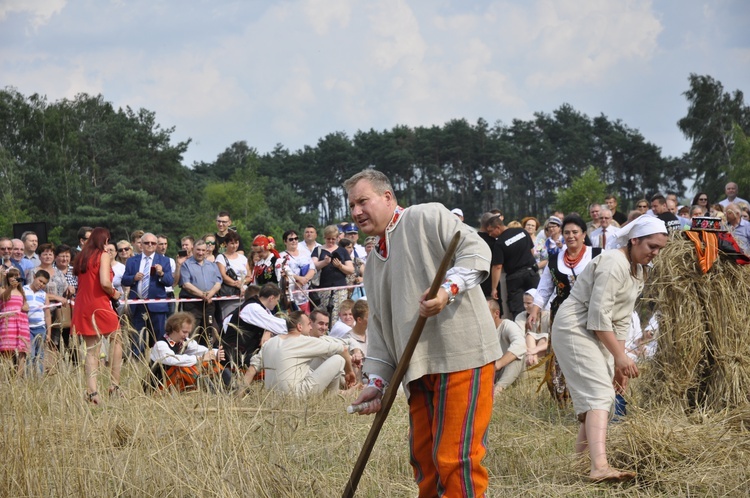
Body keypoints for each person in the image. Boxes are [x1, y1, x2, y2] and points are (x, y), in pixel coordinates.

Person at [346, 169, 502, 497]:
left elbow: (475, 250)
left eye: (363, 201)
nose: (357, 211)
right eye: (351, 206)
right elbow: (381, 330)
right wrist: (377, 383)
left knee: (455, 458)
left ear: (387, 197)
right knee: (424, 459)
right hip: (417, 370)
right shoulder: (373, 264)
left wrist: (447, 289)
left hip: (461, 356)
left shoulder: (424, 216)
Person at [552, 215, 668, 483]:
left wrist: (620, 360)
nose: (655, 253)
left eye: (660, 248)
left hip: (597, 331)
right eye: (652, 246)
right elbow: (598, 317)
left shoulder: (639, 269)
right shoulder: (613, 262)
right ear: (635, 240)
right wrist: (619, 356)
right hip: (575, 328)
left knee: (601, 397)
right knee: (599, 392)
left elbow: (623, 317)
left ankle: (581, 465)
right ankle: (599, 466)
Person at [528, 214, 602, 405]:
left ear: (584, 234)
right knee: (560, 355)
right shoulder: (554, 260)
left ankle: (591, 397)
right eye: (567, 232)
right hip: (561, 312)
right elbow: (544, 288)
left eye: (575, 232)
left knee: (588, 353)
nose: (571, 236)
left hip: (589, 312)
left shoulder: (598, 255)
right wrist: (535, 309)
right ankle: (563, 400)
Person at [245, 311, 356, 395]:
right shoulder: (305, 341)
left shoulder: (270, 342)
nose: (311, 327)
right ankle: (332, 398)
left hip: (272, 397)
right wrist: (349, 371)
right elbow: (343, 349)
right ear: (299, 326)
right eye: (308, 324)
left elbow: (251, 369)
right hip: (296, 395)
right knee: (338, 359)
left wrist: (239, 395)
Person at [71, 227, 123, 405]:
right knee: (117, 339)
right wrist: (115, 293)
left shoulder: (81, 257)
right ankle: (114, 385)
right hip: (99, 303)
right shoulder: (103, 255)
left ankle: (92, 392)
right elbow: (105, 283)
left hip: (82, 305)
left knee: (91, 350)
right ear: (104, 240)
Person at [221, 283, 287, 386]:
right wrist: (297, 326)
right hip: (235, 354)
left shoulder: (261, 308)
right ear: (271, 298)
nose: (276, 304)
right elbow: (279, 326)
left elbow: (270, 324)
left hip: (245, 351)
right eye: (277, 301)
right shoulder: (253, 308)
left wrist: (268, 331)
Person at [121, 232, 174, 357]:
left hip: (157, 306)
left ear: (156, 245)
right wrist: (133, 278)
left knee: (159, 339)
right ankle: (137, 363)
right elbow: (124, 280)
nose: (150, 245)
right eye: (147, 243)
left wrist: (161, 273)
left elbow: (170, 282)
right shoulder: (132, 261)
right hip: (138, 305)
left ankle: (159, 363)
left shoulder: (164, 260)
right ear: (141, 245)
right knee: (137, 338)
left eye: (153, 243)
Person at [146, 312, 225, 393]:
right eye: (184, 332)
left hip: (175, 385)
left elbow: (200, 350)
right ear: (174, 329)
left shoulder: (185, 342)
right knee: (181, 367)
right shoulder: (160, 345)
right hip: (156, 387)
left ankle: (227, 385)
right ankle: (208, 389)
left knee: (209, 362)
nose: (187, 335)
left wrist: (215, 353)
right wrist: (200, 359)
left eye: (188, 332)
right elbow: (174, 360)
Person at [490, 213, 540, 319]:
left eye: (491, 231)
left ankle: (521, 332)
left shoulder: (500, 243)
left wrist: (494, 288)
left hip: (515, 278)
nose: (490, 234)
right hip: (531, 272)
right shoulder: (522, 232)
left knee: (518, 310)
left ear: (497, 228)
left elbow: (497, 267)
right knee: (537, 303)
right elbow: (531, 251)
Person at [178, 240, 222, 346]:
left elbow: (218, 282)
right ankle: (190, 355)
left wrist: (210, 294)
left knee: (208, 331)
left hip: (209, 303)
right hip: (193, 304)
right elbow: (186, 284)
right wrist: (202, 294)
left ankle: (206, 355)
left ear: (206, 251)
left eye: (203, 250)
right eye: (198, 250)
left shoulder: (212, 265)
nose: (200, 253)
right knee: (192, 331)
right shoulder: (186, 265)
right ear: (193, 249)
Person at [311, 225, 353, 323]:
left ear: (337, 238)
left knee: (338, 315)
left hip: (340, 289)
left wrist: (340, 266)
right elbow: (313, 266)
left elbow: (351, 269)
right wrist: (324, 262)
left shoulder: (342, 251)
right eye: (328, 239)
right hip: (323, 289)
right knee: (323, 315)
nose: (330, 241)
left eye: (333, 239)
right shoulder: (318, 250)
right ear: (324, 237)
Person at [486, 299, 526, 395]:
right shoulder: (481, 332)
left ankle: (498, 390)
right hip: (491, 373)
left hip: (510, 371)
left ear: (496, 313)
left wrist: (498, 364)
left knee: (518, 355)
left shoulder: (508, 325)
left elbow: (520, 344)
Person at [275, 230, 315, 313]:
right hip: (290, 296)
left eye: (296, 238)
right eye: (291, 239)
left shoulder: (305, 253)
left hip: (304, 294)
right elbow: (283, 272)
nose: (294, 241)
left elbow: (312, 269)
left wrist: (304, 280)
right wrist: (298, 278)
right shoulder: (281, 256)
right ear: (285, 242)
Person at [0, 268, 30, 376]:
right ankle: (7, 375)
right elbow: (3, 297)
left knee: (21, 350)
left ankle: (18, 377)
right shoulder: (3, 289)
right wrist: (10, 288)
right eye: (11, 276)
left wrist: (26, 306)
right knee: (8, 350)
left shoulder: (21, 292)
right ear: (7, 278)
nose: (14, 278)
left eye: (16, 275)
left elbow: (26, 305)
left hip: (21, 323)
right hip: (8, 322)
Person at [215, 230, 251, 320]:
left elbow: (249, 276)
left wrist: (242, 283)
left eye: (236, 243)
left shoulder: (243, 258)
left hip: (243, 293)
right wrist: (237, 285)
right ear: (226, 244)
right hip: (230, 294)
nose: (234, 246)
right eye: (232, 243)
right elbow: (223, 275)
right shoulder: (221, 257)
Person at [23, 269, 51, 376]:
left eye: (44, 283)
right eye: (40, 281)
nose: (41, 284)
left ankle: (39, 378)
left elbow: (47, 315)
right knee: (30, 353)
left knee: (40, 355)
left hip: (40, 328)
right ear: (34, 277)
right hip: (27, 328)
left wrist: (48, 332)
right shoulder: (24, 290)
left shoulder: (44, 295)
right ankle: (29, 377)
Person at [515, 288, 550, 366]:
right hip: (526, 350)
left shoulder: (548, 316)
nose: (525, 306)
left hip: (544, 348)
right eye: (524, 303)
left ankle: (534, 362)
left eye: (529, 303)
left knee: (544, 337)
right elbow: (519, 337)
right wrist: (530, 352)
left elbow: (553, 340)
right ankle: (535, 361)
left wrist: (535, 350)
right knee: (529, 335)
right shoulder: (521, 316)